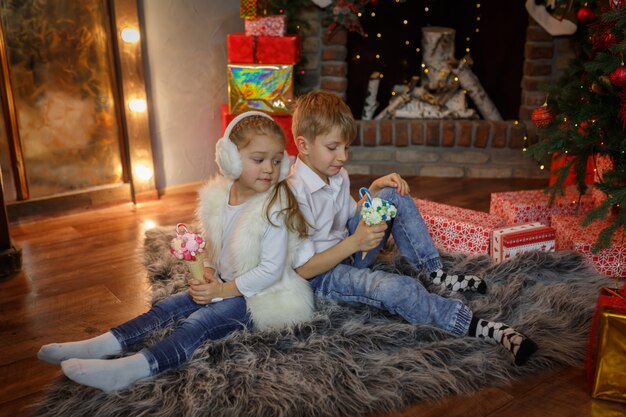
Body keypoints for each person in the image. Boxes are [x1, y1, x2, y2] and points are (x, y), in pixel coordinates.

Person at [37, 112, 315, 392]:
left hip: (260, 296)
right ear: (230, 158)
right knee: (168, 308)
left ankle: (132, 369)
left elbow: (270, 271)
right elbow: (214, 245)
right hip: (224, 283)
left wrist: (223, 290)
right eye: (259, 160)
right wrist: (207, 268)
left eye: (277, 161)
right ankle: (99, 344)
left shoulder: (273, 210)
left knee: (199, 323)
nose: (269, 168)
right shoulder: (221, 196)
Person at [287, 90, 538, 366]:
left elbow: (349, 215)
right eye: (333, 147)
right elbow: (302, 270)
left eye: (347, 147)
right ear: (304, 145)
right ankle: (475, 325)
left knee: (393, 193)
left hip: (348, 246)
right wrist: (354, 244)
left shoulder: (336, 174)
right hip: (322, 276)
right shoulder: (294, 195)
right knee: (393, 288)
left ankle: (433, 272)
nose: (343, 156)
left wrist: (374, 189)